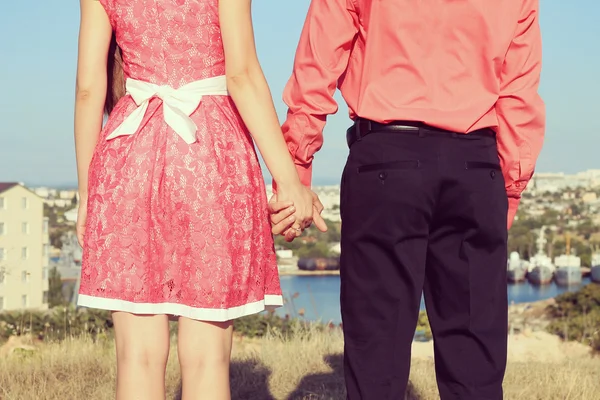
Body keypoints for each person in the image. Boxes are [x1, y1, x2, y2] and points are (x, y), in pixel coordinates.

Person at [269, 0, 545, 398]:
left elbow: (318, 63)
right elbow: (519, 94)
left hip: (386, 162)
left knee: (376, 351)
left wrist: (295, 166)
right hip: (475, 167)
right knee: (475, 362)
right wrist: (509, 190)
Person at [73, 1, 324, 399]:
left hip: (128, 154)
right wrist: (288, 180)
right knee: (207, 358)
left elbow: (89, 91)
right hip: (211, 156)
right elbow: (241, 76)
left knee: (136, 356)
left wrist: (88, 193)